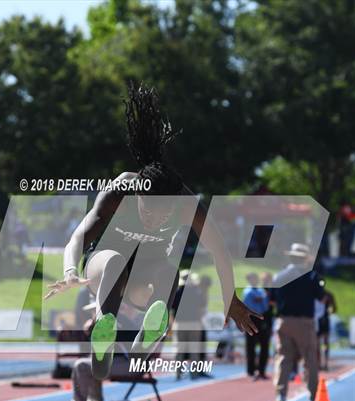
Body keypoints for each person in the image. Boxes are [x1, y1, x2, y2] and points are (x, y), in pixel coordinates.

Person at [46, 83, 261, 381]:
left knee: (170, 272)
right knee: (113, 261)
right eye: (148, 212)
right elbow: (78, 237)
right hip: (103, 269)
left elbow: (219, 251)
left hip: (144, 278)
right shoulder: (121, 190)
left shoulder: (186, 204)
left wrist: (231, 299)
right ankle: (104, 325)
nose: (153, 220)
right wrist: (70, 270)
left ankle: (154, 326)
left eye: (163, 216)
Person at [272, 243, 325, 401]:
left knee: (284, 358)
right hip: (304, 321)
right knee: (310, 358)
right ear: (305, 259)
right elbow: (321, 297)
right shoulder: (311, 276)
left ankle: (280, 393)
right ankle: (313, 393)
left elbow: (272, 299)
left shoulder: (279, 275)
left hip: (284, 320)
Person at [172, 270, 206, 380]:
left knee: (179, 350)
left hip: (180, 324)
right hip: (194, 323)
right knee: (194, 350)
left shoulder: (176, 292)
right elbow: (201, 309)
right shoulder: (197, 292)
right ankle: (194, 374)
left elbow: (172, 310)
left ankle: (178, 373)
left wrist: (173, 324)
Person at [242, 273, 270, 380]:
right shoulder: (247, 290)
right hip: (250, 319)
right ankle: (251, 370)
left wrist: (261, 299)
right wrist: (259, 299)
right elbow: (248, 303)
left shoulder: (260, 291)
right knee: (250, 346)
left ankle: (261, 370)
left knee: (264, 345)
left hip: (260, 318)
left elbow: (265, 305)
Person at [316, 283, 337, 371]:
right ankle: (319, 363)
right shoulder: (314, 294)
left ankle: (325, 363)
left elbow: (334, 308)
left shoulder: (328, 294)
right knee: (317, 344)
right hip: (317, 320)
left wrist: (329, 311)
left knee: (325, 343)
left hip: (324, 320)